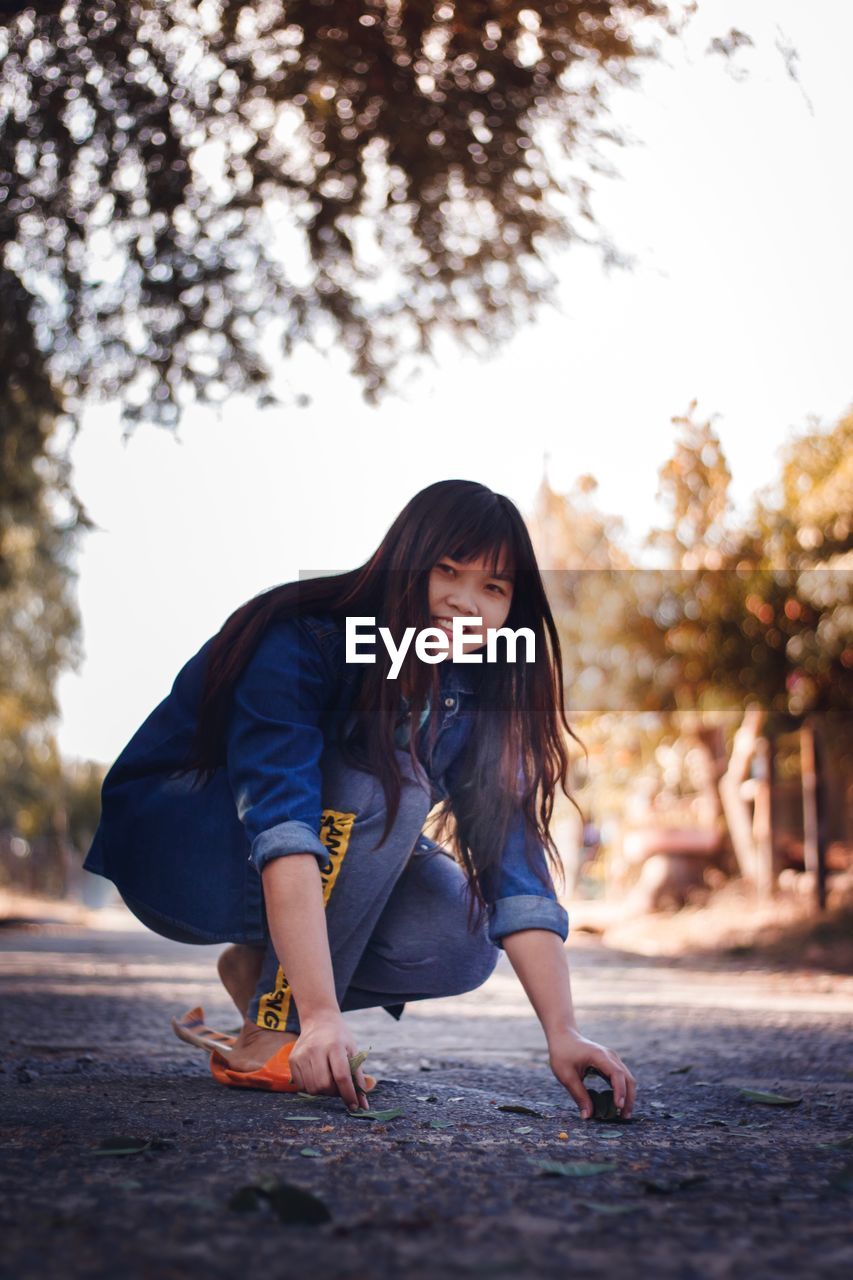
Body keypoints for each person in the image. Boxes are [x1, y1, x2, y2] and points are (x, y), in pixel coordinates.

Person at [84, 479, 636, 1119]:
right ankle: (276, 1019)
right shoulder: (304, 640)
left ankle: (266, 973)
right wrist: (314, 1016)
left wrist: (563, 1032)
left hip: (304, 859)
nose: (465, 603)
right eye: (447, 571)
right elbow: (281, 819)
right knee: (389, 785)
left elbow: (513, 864)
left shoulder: (474, 691)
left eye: (494, 587)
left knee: (463, 935)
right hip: (187, 844)